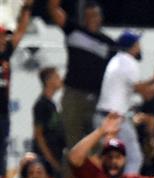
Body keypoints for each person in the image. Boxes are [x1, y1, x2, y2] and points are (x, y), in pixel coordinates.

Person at [95, 30, 154, 174]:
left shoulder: (118, 59)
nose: (140, 47)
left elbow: (135, 87)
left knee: (107, 160)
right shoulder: (129, 62)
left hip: (104, 115)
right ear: (132, 46)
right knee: (134, 158)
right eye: (138, 44)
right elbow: (146, 94)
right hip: (114, 119)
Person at [47, 0, 116, 149]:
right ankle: (71, 172)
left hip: (97, 98)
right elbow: (54, 10)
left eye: (95, 15)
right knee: (73, 142)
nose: (91, 18)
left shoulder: (108, 43)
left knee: (98, 143)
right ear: (83, 18)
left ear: (100, 17)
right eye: (88, 15)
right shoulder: (74, 31)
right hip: (74, 96)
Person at [0, 2, 33, 173]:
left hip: (3, 113)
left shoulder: (6, 53)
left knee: (2, 154)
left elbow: (20, 32)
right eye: (0, 37)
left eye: (4, 37)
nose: (4, 40)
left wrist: (27, 8)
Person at [33, 67, 67, 178]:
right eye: (57, 77)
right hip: (46, 162)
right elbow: (39, 136)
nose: (60, 79)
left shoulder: (52, 105)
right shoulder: (41, 105)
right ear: (49, 81)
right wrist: (51, 161)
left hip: (56, 156)